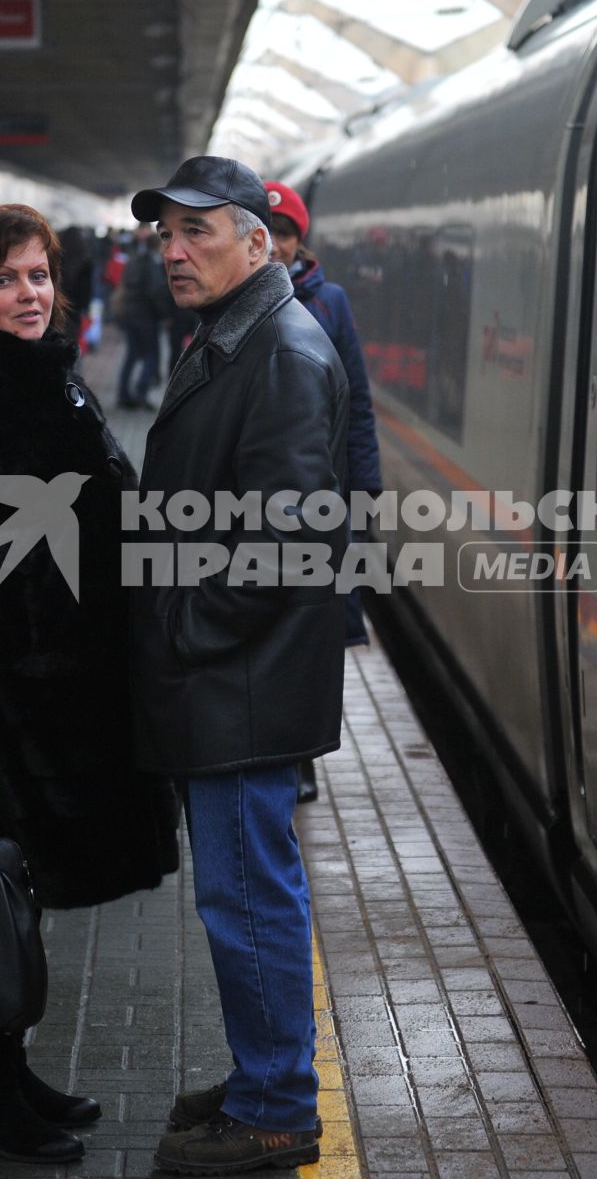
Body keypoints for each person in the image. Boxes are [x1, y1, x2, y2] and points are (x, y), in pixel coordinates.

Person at [0, 201, 180, 1163]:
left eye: (40, 274)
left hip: (55, 687)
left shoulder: (48, 377)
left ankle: (9, 1075)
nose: (30, 293)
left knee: (20, 891)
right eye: (5, 278)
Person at [129, 157, 349, 1175]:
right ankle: (270, 1075)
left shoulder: (281, 354)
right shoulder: (240, 333)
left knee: (248, 896)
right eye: (164, 233)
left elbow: (286, 543)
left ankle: (274, 1109)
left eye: (196, 232)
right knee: (244, 890)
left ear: (258, 242)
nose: (172, 249)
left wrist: (179, 629)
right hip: (235, 676)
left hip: (240, 682)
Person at [262, 179, 383, 805]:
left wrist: (367, 498)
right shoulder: (233, 302)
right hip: (259, 502)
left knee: (314, 635)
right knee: (274, 627)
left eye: (286, 234)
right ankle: (282, 750)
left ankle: (303, 756)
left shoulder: (329, 303)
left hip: (325, 502)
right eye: (267, 232)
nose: (277, 246)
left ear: (298, 239)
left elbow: (357, 405)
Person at [115, 229, 173, 409]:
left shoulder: (135, 259)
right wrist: (165, 314)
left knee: (131, 355)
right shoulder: (152, 263)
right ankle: (141, 393)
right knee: (151, 355)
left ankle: (123, 394)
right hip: (146, 316)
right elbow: (154, 292)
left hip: (131, 313)